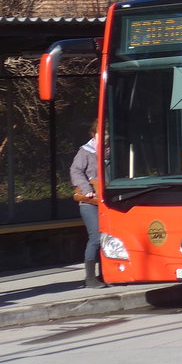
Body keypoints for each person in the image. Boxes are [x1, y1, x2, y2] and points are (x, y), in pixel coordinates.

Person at [70, 121, 106, 289]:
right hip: (89, 202)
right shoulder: (85, 152)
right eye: (101, 135)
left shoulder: (110, 151)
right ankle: (90, 278)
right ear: (94, 134)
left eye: (106, 136)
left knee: (108, 238)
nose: (104, 139)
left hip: (106, 200)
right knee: (96, 238)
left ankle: (105, 273)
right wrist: (86, 188)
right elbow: (75, 171)